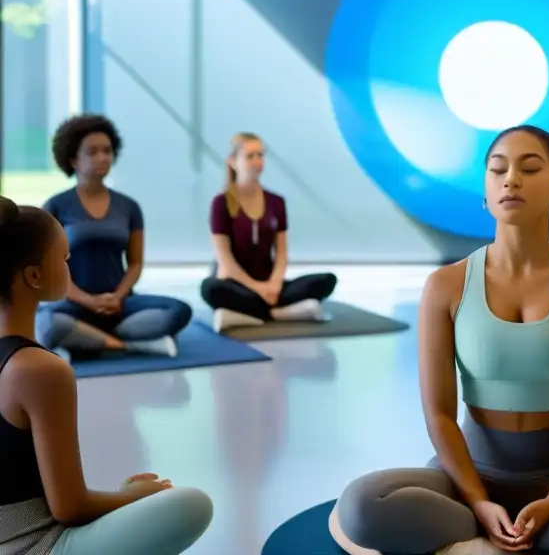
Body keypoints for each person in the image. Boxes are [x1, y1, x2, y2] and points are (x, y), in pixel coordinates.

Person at [334, 125, 549, 555]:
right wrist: (480, 502)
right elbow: (439, 414)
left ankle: (500, 538)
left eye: (530, 168)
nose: (511, 179)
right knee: (360, 507)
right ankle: (491, 527)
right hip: (471, 473)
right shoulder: (446, 286)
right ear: (486, 193)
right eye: (498, 169)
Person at [0, 195, 214, 554]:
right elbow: (69, 508)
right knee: (194, 503)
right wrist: (131, 497)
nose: (70, 268)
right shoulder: (40, 370)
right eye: (65, 259)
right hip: (33, 544)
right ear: (34, 276)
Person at [35, 115, 193, 359]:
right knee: (47, 324)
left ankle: (87, 339)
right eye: (93, 152)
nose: (103, 158)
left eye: (107, 151)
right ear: (73, 159)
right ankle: (131, 345)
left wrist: (118, 297)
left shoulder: (129, 207)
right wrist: (87, 300)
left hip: (119, 302)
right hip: (75, 303)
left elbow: (136, 263)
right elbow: (48, 268)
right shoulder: (55, 206)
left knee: (178, 310)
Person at [200, 132, 337, 333]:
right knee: (210, 289)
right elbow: (226, 262)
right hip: (236, 283)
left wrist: (273, 285)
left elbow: (281, 253)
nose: (257, 161)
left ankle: (253, 314)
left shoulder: (276, 202)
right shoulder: (221, 203)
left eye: (261, 155)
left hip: (269, 282)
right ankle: (279, 312)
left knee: (327, 280)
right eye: (250, 156)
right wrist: (258, 289)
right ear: (232, 162)